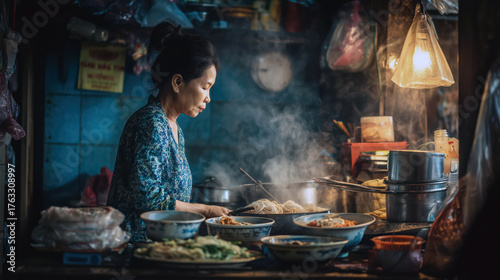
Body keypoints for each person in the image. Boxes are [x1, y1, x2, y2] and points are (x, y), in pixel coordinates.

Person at [107, 21, 230, 242]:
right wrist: (205, 209)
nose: (208, 98)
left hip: (161, 244)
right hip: (135, 245)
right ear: (177, 82)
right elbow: (149, 198)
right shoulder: (151, 123)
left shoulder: (173, 127)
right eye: (205, 87)